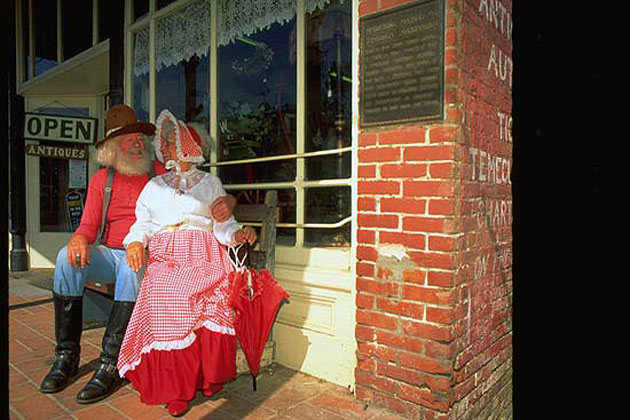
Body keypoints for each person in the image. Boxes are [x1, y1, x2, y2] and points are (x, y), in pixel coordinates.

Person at [39, 104, 236, 405]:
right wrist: (78, 238)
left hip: (145, 255)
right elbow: (89, 226)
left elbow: (197, 187)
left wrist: (229, 201)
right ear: (112, 147)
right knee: (67, 259)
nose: (138, 143)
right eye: (129, 139)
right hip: (111, 253)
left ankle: (110, 363)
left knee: (132, 268)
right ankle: (66, 356)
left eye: (141, 138)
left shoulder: (159, 173)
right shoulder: (101, 181)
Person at [116, 109, 256, 417]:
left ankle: (206, 376)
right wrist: (136, 242)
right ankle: (175, 388)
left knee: (213, 298)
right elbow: (143, 224)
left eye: (168, 142)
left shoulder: (210, 183)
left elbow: (222, 224)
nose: (162, 147)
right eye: (163, 143)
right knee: (168, 296)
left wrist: (238, 234)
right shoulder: (154, 185)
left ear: (187, 146)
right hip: (168, 256)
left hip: (205, 254)